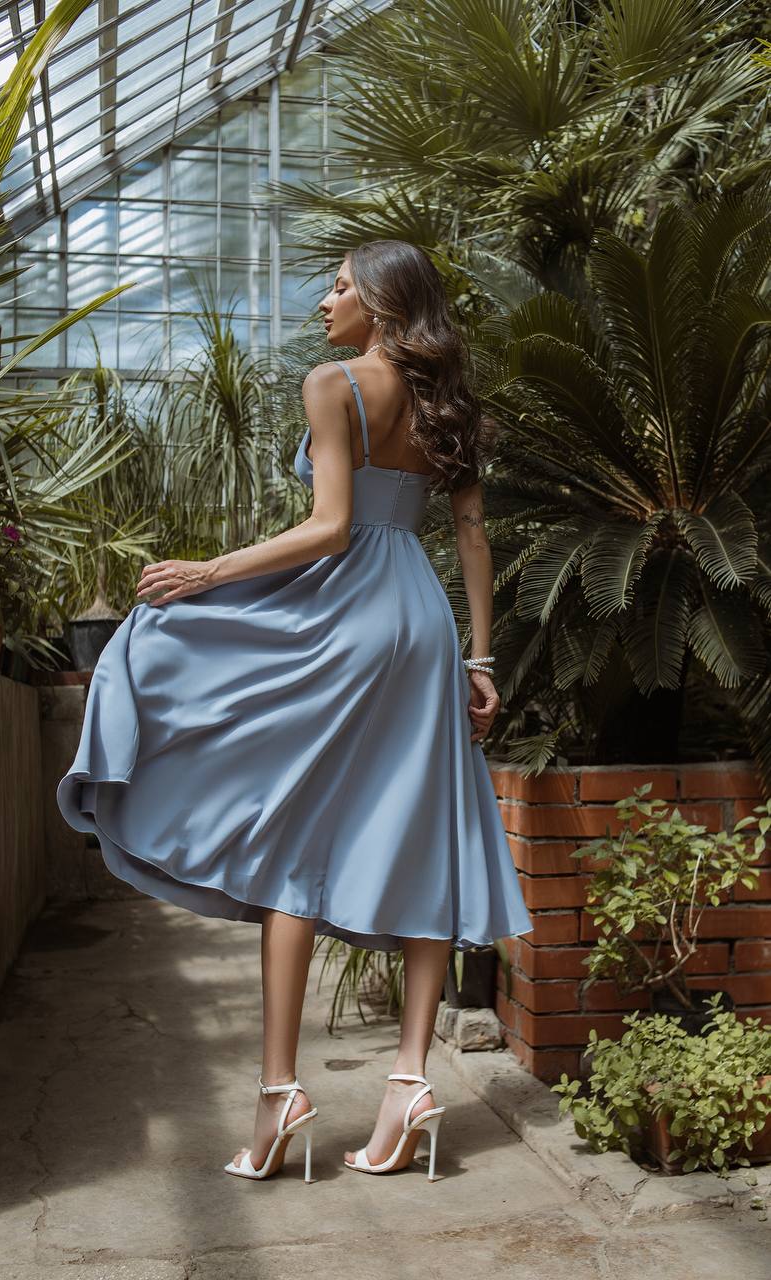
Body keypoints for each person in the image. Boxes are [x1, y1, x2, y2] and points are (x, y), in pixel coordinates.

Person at [56, 238, 534, 1186]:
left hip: (345, 616)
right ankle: (408, 1084)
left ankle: (279, 1093)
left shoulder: (335, 384)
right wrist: (479, 659)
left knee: (291, 847)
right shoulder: (449, 403)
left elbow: (328, 528)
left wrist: (207, 572)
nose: (325, 301)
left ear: (382, 303)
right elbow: (472, 538)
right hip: (421, 621)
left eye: (341, 286)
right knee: (422, 835)